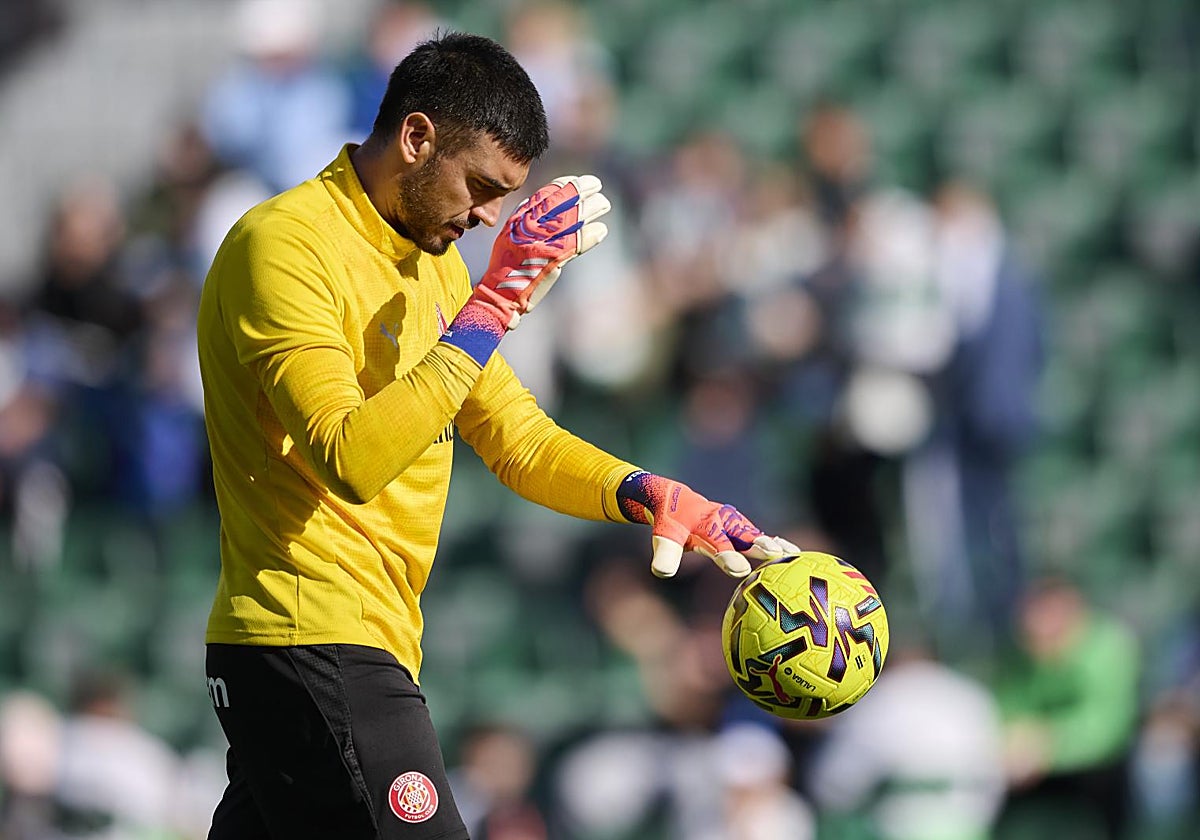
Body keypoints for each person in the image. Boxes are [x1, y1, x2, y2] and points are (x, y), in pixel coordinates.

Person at [197, 32, 797, 840]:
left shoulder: (434, 261)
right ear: (416, 138)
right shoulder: (287, 247)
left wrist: (648, 492)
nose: (486, 216)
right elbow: (350, 458)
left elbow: (518, 440)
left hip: (351, 643)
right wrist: (491, 310)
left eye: (503, 197)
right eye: (480, 185)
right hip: (311, 637)